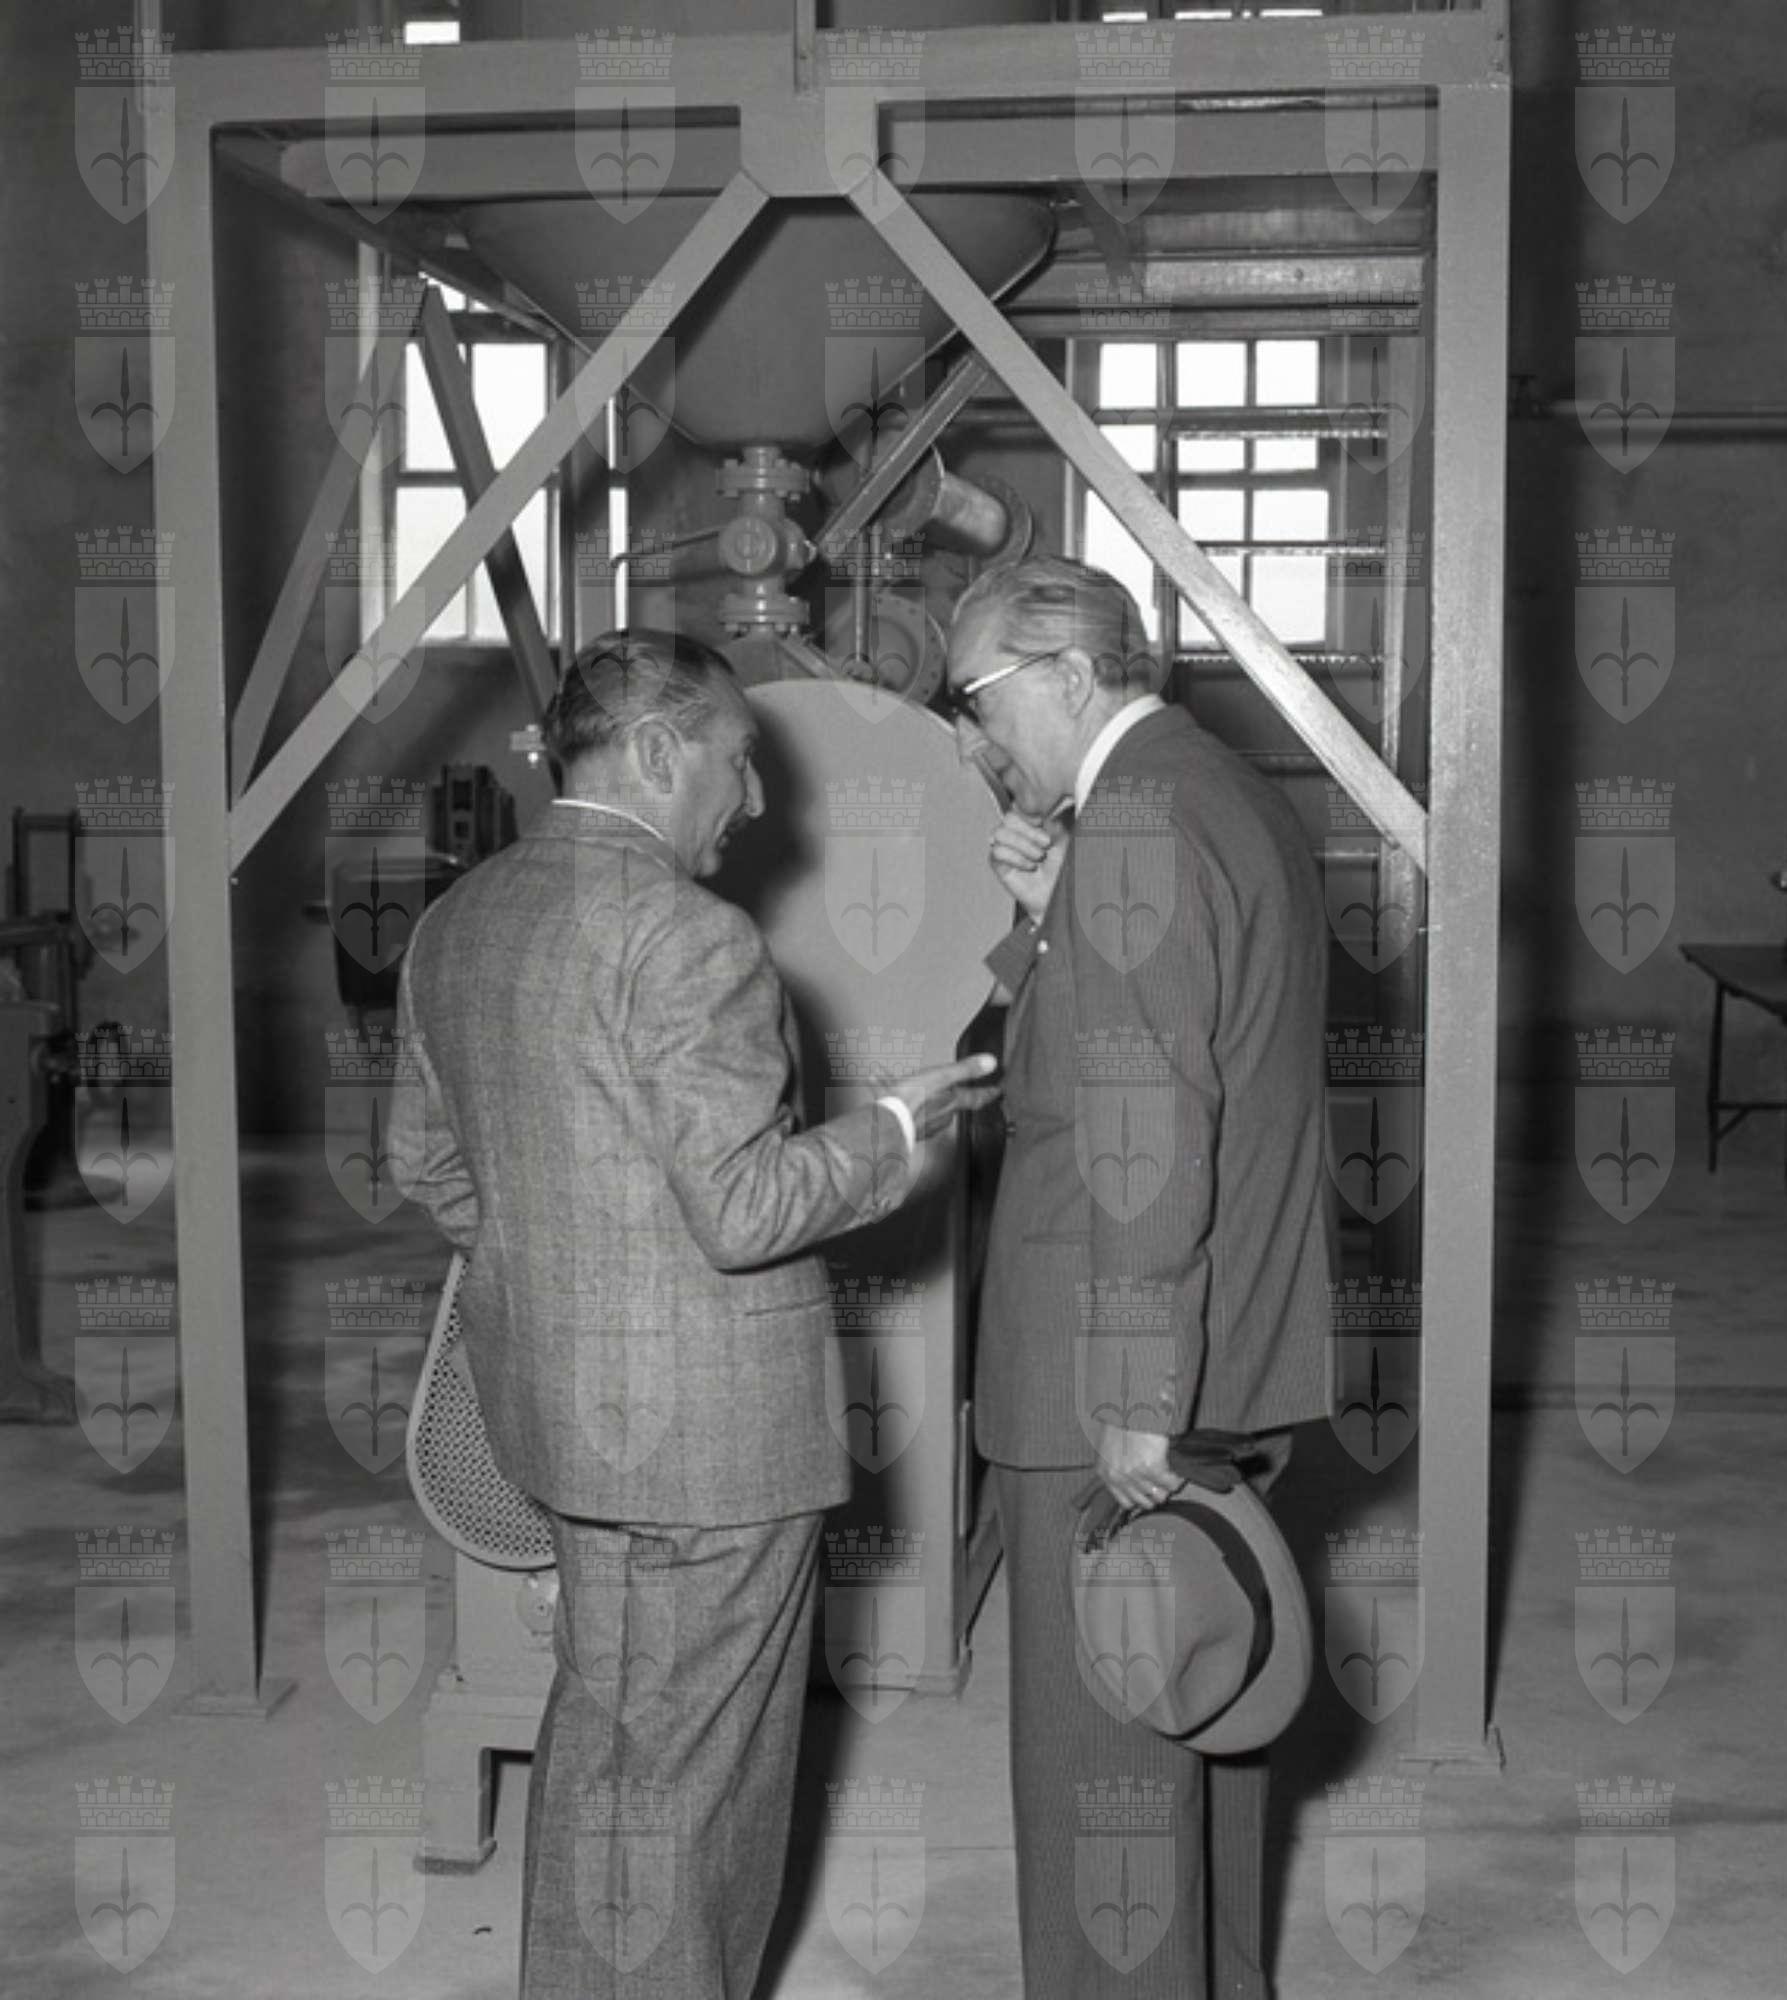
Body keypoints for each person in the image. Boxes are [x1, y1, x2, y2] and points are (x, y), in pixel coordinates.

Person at [387, 628, 997, 1999]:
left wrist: (571, 1290)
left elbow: (425, 1167)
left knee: (606, 1751)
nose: (756, 798)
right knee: (698, 1802)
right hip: (710, 1458)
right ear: (659, 752)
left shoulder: (459, 922)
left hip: (560, 1428)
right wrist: (897, 1131)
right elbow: (745, 1209)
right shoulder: (691, 936)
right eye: (738, 759)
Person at [944, 556, 1332, 1998]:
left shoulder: (1132, 830)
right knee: (1197, 1696)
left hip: (1116, 1363)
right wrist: (1053, 915)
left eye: (980, 700)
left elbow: (1143, 1135)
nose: (975, 739)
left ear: (1066, 673)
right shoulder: (1208, 791)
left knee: (1100, 1757)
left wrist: (1132, 1400)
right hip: (1230, 1328)